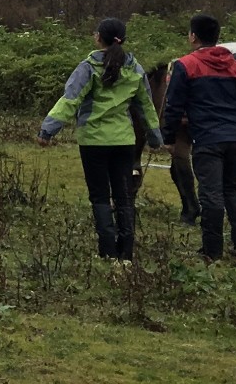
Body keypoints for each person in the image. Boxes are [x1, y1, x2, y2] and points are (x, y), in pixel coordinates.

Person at [37, 17, 163, 259]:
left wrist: (48, 130)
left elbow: (70, 100)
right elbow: (147, 106)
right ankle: (126, 252)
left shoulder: (88, 68)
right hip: (124, 142)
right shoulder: (135, 69)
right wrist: (155, 138)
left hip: (93, 142)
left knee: (100, 197)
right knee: (123, 196)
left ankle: (107, 251)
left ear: (98, 38)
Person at [162, 12, 236, 261]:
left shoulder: (186, 65)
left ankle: (212, 250)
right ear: (218, 38)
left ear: (193, 36)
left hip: (207, 139)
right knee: (233, 191)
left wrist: (169, 137)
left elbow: (173, 104)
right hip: (235, 138)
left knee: (210, 194)